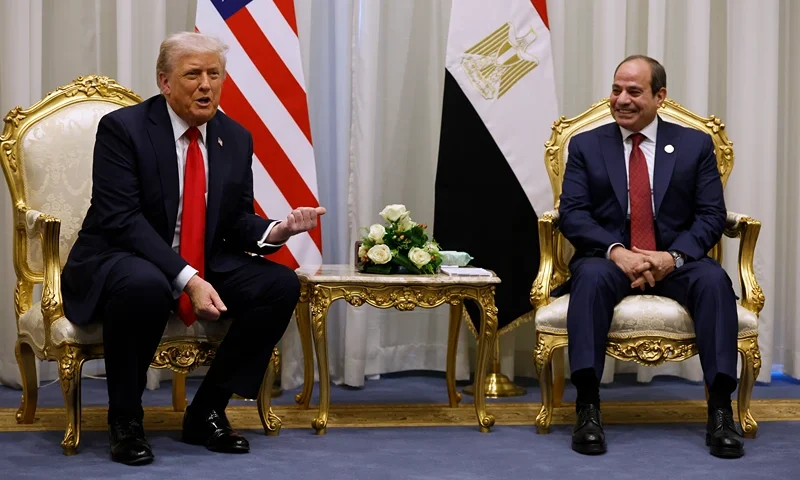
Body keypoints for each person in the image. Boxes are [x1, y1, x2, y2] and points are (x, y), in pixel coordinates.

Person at [61, 32, 325, 466]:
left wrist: (277, 230)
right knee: (146, 284)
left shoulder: (235, 137)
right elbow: (122, 219)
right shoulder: (123, 129)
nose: (206, 85)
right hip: (123, 256)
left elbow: (236, 221)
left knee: (279, 285)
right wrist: (189, 279)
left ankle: (207, 411)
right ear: (165, 82)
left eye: (214, 74)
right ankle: (125, 420)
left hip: (203, 257)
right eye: (193, 74)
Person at [556, 55, 743, 458]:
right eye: (616, 89)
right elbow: (572, 213)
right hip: (608, 259)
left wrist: (670, 258)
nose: (621, 99)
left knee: (714, 282)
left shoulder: (694, 145)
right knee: (588, 281)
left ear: (660, 96)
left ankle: (721, 410)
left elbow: (711, 215)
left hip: (677, 259)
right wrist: (618, 252)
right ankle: (587, 407)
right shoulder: (587, 145)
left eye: (634, 91)